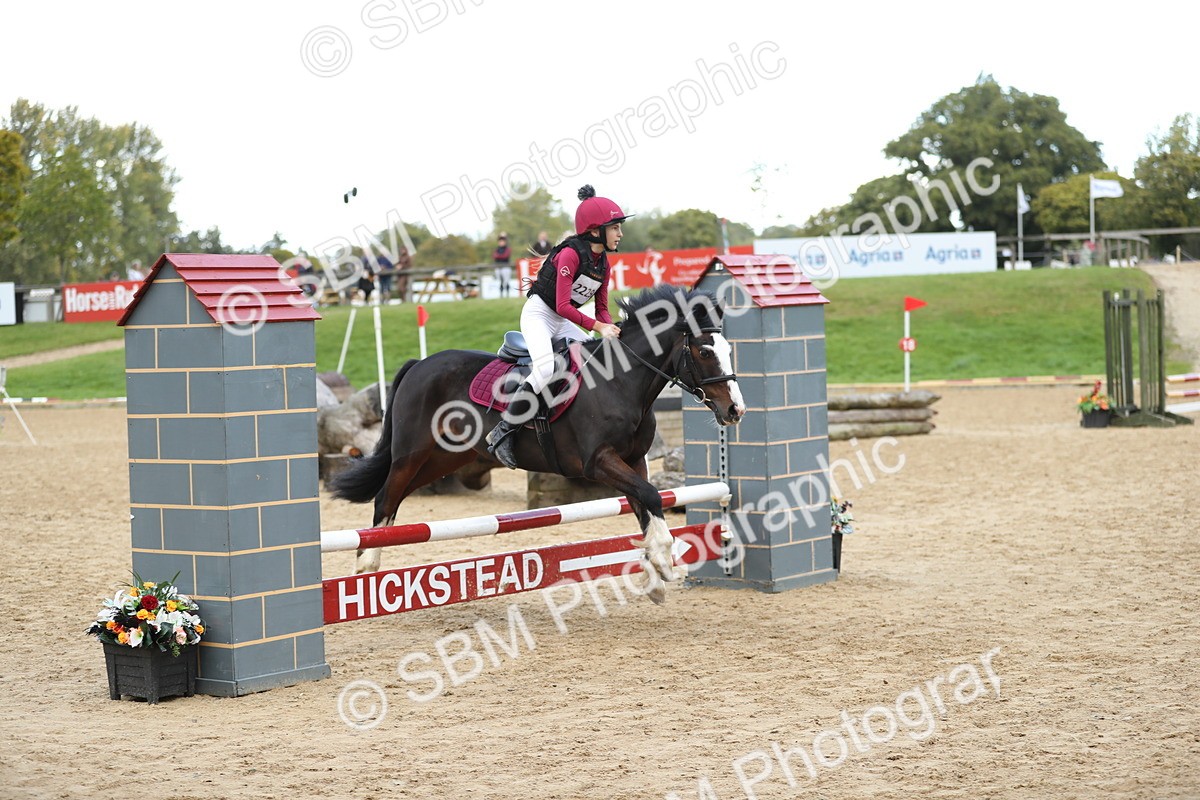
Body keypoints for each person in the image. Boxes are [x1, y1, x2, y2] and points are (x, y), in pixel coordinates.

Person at [485, 185, 629, 468]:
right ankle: (502, 431)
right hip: (539, 315)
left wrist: (609, 329)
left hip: (562, 321)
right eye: (615, 228)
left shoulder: (603, 264)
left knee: (594, 359)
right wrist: (598, 327)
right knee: (545, 369)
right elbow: (563, 306)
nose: (620, 233)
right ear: (595, 230)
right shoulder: (570, 255)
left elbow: (601, 308)